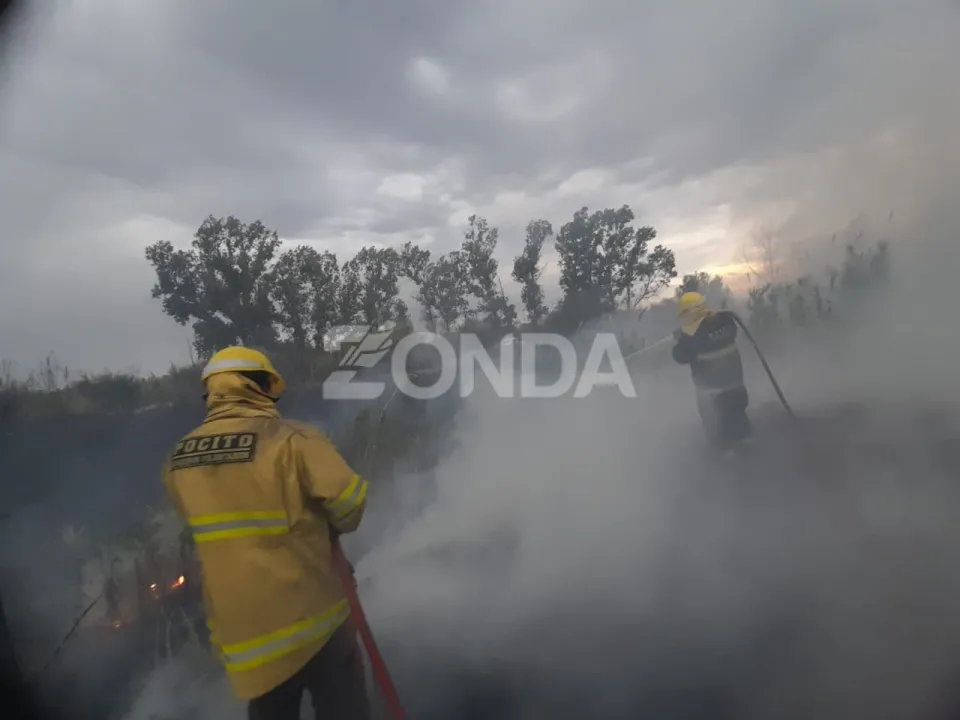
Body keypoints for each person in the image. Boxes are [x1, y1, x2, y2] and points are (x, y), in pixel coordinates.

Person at [160, 346, 370, 720]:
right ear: (260, 387)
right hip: (314, 619)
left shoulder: (179, 458)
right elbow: (350, 504)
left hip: (245, 639)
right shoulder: (293, 440)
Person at [671, 292, 752, 452]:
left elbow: (679, 355)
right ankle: (751, 455)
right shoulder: (727, 322)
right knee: (741, 425)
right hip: (737, 390)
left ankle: (726, 466)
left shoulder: (691, 339)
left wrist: (681, 337)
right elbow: (709, 333)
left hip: (712, 398)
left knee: (719, 438)